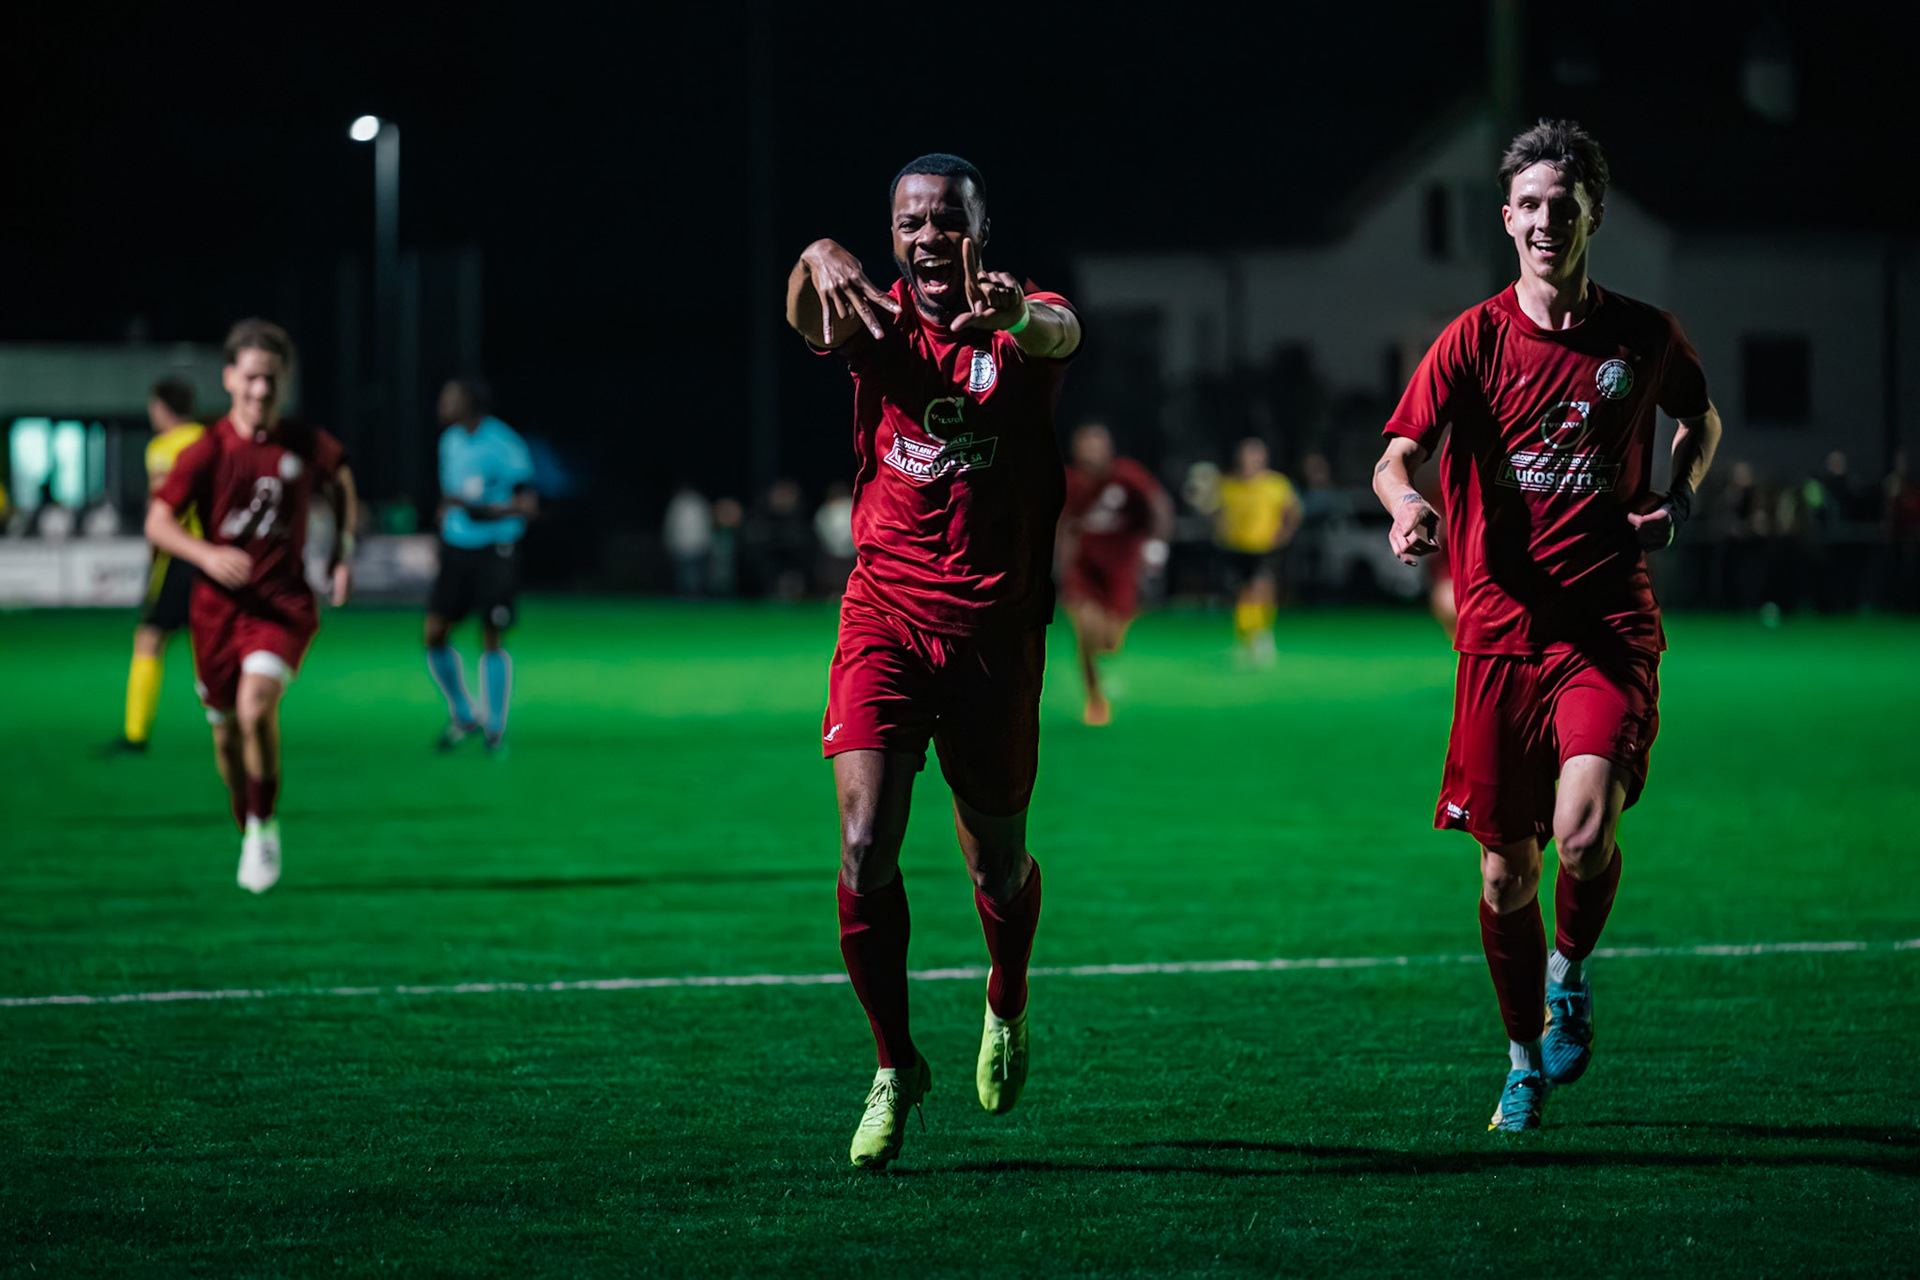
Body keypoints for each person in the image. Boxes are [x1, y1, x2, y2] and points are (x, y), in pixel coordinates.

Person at [1370, 120, 1723, 1131]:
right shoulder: (1472, 340)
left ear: (1589, 217)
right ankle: (1521, 1054)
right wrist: (1405, 503)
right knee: (1502, 866)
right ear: (1505, 217)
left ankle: (1570, 968)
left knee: (1580, 829)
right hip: (1495, 639)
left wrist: (1679, 497)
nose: (1540, 220)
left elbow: (1701, 418)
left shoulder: (1645, 338)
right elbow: (1396, 452)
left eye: (1558, 205)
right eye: (1524, 204)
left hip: (1604, 626)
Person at [786, 152, 1081, 1169]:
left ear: (979, 231)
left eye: (946, 220)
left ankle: (1006, 995)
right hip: (884, 618)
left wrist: (1016, 320)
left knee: (996, 858)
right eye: (909, 223)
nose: (926, 238)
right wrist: (814, 254)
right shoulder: (872, 319)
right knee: (865, 843)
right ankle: (893, 1063)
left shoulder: (1021, 321)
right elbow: (806, 314)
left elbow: (1062, 328)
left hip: (996, 635)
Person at [145, 319, 357, 893]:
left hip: (282, 606)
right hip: (216, 612)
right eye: (252, 378)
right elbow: (157, 521)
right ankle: (248, 817)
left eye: (272, 379)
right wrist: (206, 556)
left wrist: (342, 552)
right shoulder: (206, 451)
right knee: (224, 737)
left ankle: (264, 826)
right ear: (230, 378)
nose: (262, 391)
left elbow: (340, 480)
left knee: (255, 707)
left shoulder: (304, 443)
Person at [424, 378, 537, 753]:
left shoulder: (505, 444)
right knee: (434, 632)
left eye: (450, 397)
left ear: (469, 403)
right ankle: (462, 712)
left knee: (491, 633)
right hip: (458, 549)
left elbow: (529, 505)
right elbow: (450, 495)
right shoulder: (450, 442)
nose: (442, 403)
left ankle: (495, 727)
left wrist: (489, 512)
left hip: (494, 548)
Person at [114, 379, 206, 752]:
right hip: (214, 554)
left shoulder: (162, 448)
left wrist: (155, 562)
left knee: (149, 639)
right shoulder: (210, 439)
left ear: (162, 408)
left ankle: (136, 733)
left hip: (179, 555)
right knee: (211, 646)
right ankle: (237, 721)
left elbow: (162, 510)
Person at [1058, 422, 1171, 724]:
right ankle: (1095, 698)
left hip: (1121, 568)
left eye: (1096, 444)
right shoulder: (1070, 481)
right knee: (1084, 631)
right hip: (1084, 569)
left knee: (1109, 643)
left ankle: (1104, 652)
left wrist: (1156, 546)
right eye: (1085, 444)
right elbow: (1063, 523)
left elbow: (1159, 506)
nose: (1091, 451)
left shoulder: (1127, 475)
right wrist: (1061, 563)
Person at [1215, 437, 1301, 663]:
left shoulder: (1276, 484)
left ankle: (1261, 637)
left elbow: (1294, 511)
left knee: (1259, 591)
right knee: (1242, 596)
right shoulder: (1228, 485)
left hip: (1263, 548)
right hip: (1236, 548)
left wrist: (1283, 534)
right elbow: (1219, 513)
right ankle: (1246, 639)